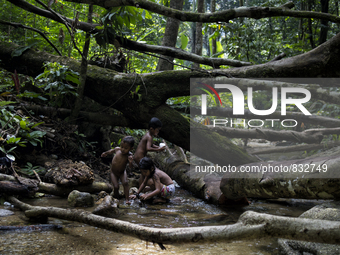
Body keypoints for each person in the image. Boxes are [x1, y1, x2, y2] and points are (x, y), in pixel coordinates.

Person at [101, 136, 134, 204]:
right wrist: (105, 153)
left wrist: (130, 162)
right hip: (113, 172)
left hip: (122, 172)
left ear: (131, 148)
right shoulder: (117, 149)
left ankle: (127, 199)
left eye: (126, 148)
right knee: (116, 186)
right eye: (122, 146)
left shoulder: (129, 155)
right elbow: (110, 151)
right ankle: (116, 198)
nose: (123, 149)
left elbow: (131, 167)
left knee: (125, 183)